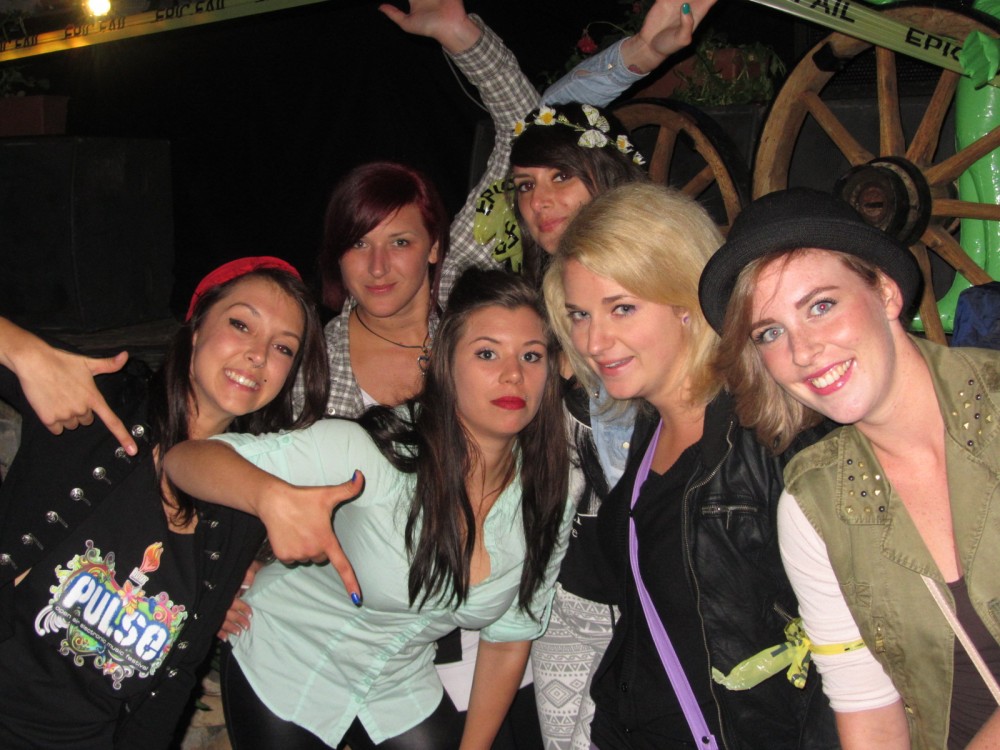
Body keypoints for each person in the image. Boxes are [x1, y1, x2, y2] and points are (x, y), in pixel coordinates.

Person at [163, 269, 574, 750]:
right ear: (446, 362)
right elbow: (185, 461)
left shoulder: (551, 490)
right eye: (487, 353)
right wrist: (269, 496)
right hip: (285, 657)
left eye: (531, 355)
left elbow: (509, 637)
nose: (513, 375)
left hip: (397, 680)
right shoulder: (375, 452)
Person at [0, 256, 353, 748]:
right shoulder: (104, 401)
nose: (257, 355)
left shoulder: (242, 511)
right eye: (240, 324)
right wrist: (21, 349)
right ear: (195, 328)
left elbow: (177, 676)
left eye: (282, 348)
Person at [542, 182, 839, 749]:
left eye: (622, 308)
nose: (594, 340)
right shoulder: (650, 428)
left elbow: (851, 656)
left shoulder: (770, 437)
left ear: (685, 303)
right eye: (579, 314)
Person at [701, 188, 1000, 750]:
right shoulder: (814, 503)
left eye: (820, 306)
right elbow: (866, 707)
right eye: (770, 332)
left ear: (885, 291)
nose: (803, 351)